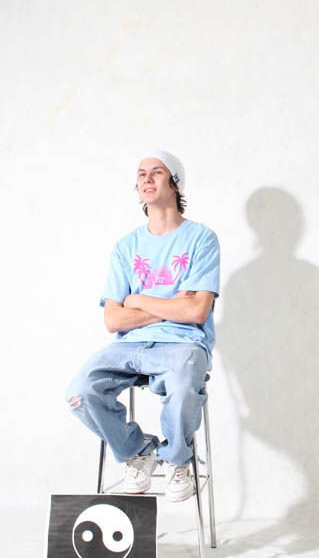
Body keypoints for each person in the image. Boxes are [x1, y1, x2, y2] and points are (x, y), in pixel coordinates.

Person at [66, 148, 220, 501]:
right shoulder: (126, 246)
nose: (147, 178)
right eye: (141, 174)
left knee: (183, 384)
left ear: (176, 184)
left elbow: (197, 313)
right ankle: (137, 452)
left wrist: (138, 299)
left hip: (183, 343)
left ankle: (178, 460)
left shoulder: (201, 239)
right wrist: (173, 305)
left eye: (157, 172)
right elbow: (113, 319)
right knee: (80, 392)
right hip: (129, 344)